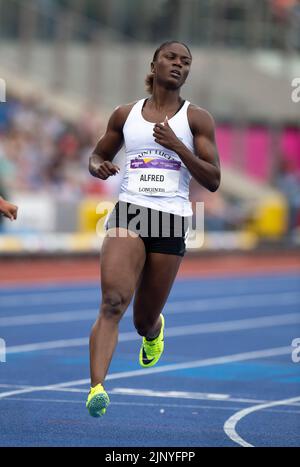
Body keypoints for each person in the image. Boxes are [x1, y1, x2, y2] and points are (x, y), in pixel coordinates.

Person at [86, 41, 221, 417]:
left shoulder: (197, 120)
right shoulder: (125, 115)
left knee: (142, 318)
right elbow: (99, 154)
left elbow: (213, 180)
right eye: (171, 58)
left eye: (186, 62)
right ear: (154, 64)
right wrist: (97, 164)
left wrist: (179, 146)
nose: (179, 65)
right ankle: (97, 388)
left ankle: (153, 329)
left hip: (170, 218)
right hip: (130, 211)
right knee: (113, 301)